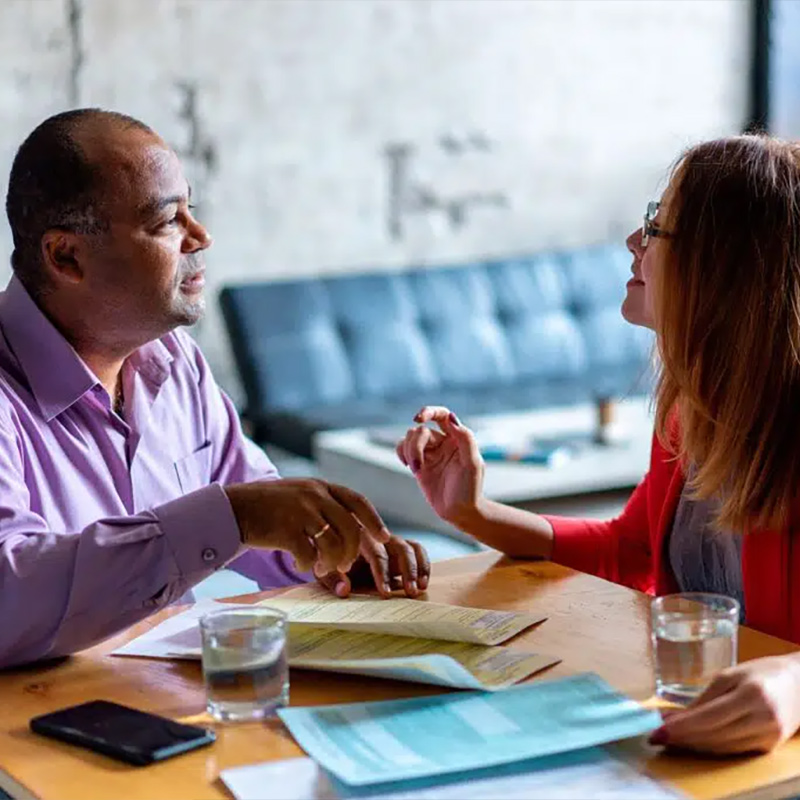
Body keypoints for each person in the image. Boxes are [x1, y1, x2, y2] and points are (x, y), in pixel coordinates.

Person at [397, 134, 800, 756]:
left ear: (723, 265)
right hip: (700, 740)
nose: (634, 243)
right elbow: (631, 550)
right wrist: (475, 513)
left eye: (656, 227)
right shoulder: (693, 413)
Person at [0, 108, 430, 670]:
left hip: (163, 704)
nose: (200, 237)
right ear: (67, 256)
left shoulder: (175, 364)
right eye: (166, 221)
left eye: (191, 210)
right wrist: (233, 517)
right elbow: (11, 593)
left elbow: (257, 505)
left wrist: (338, 552)